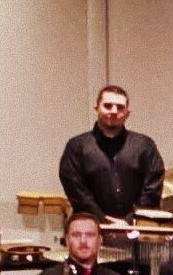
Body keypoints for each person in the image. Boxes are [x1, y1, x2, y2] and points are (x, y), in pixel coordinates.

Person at [58, 85, 164, 229]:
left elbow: (153, 188)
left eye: (120, 107)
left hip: (135, 229)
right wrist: (101, 221)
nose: (114, 111)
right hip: (90, 230)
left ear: (127, 113)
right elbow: (76, 190)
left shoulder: (145, 145)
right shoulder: (76, 146)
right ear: (96, 108)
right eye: (108, 106)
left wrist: (129, 220)